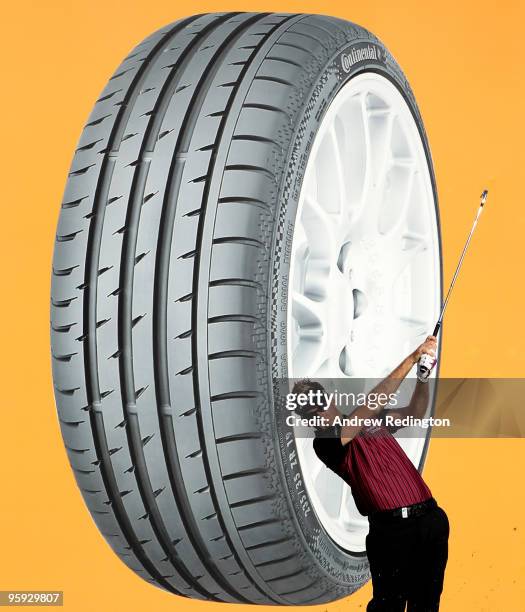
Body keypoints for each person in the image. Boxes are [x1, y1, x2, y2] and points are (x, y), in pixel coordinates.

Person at [292, 336, 449, 612]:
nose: (318, 412)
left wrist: (422, 379)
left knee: (426, 607)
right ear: (306, 420)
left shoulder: (371, 421)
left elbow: (414, 413)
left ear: (328, 399)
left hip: (429, 520)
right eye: (309, 411)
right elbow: (371, 405)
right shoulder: (326, 443)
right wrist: (412, 358)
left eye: (319, 403)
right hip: (391, 533)